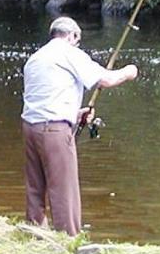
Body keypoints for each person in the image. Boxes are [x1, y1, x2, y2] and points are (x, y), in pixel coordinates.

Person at [21, 16, 138, 236]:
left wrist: (74, 114)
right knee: (64, 188)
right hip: (54, 131)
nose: (77, 43)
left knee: (36, 186)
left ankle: (35, 233)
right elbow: (106, 80)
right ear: (72, 35)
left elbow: (43, 99)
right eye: (77, 39)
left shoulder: (35, 58)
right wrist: (129, 72)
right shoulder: (69, 53)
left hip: (31, 129)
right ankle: (69, 240)